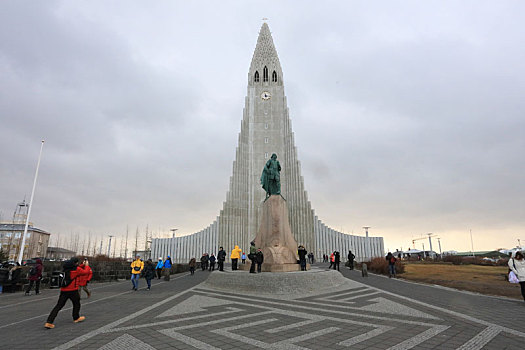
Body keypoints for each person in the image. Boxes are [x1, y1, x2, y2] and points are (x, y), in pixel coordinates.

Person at [44, 257, 89, 329]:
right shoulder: (76, 270)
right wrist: (86, 265)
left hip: (64, 290)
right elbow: (85, 272)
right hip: (73, 290)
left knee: (58, 306)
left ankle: (49, 322)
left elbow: (77, 268)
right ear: (75, 263)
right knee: (76, 303)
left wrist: (82, 265)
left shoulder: (66, 269)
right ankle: (76, 317)